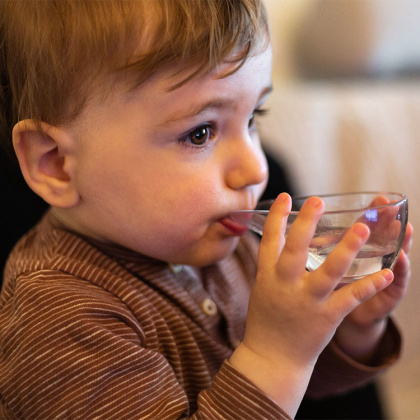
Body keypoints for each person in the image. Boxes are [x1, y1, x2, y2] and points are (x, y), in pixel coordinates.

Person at [0, 1, 412, 418]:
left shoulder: (221, 246)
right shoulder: (59, 320)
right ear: (56, 164)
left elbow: (292, 386)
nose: (255, 168)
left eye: (254, 117)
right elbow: (275, 370)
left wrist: (350, 327)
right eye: (200, 133)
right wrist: (275, 354)